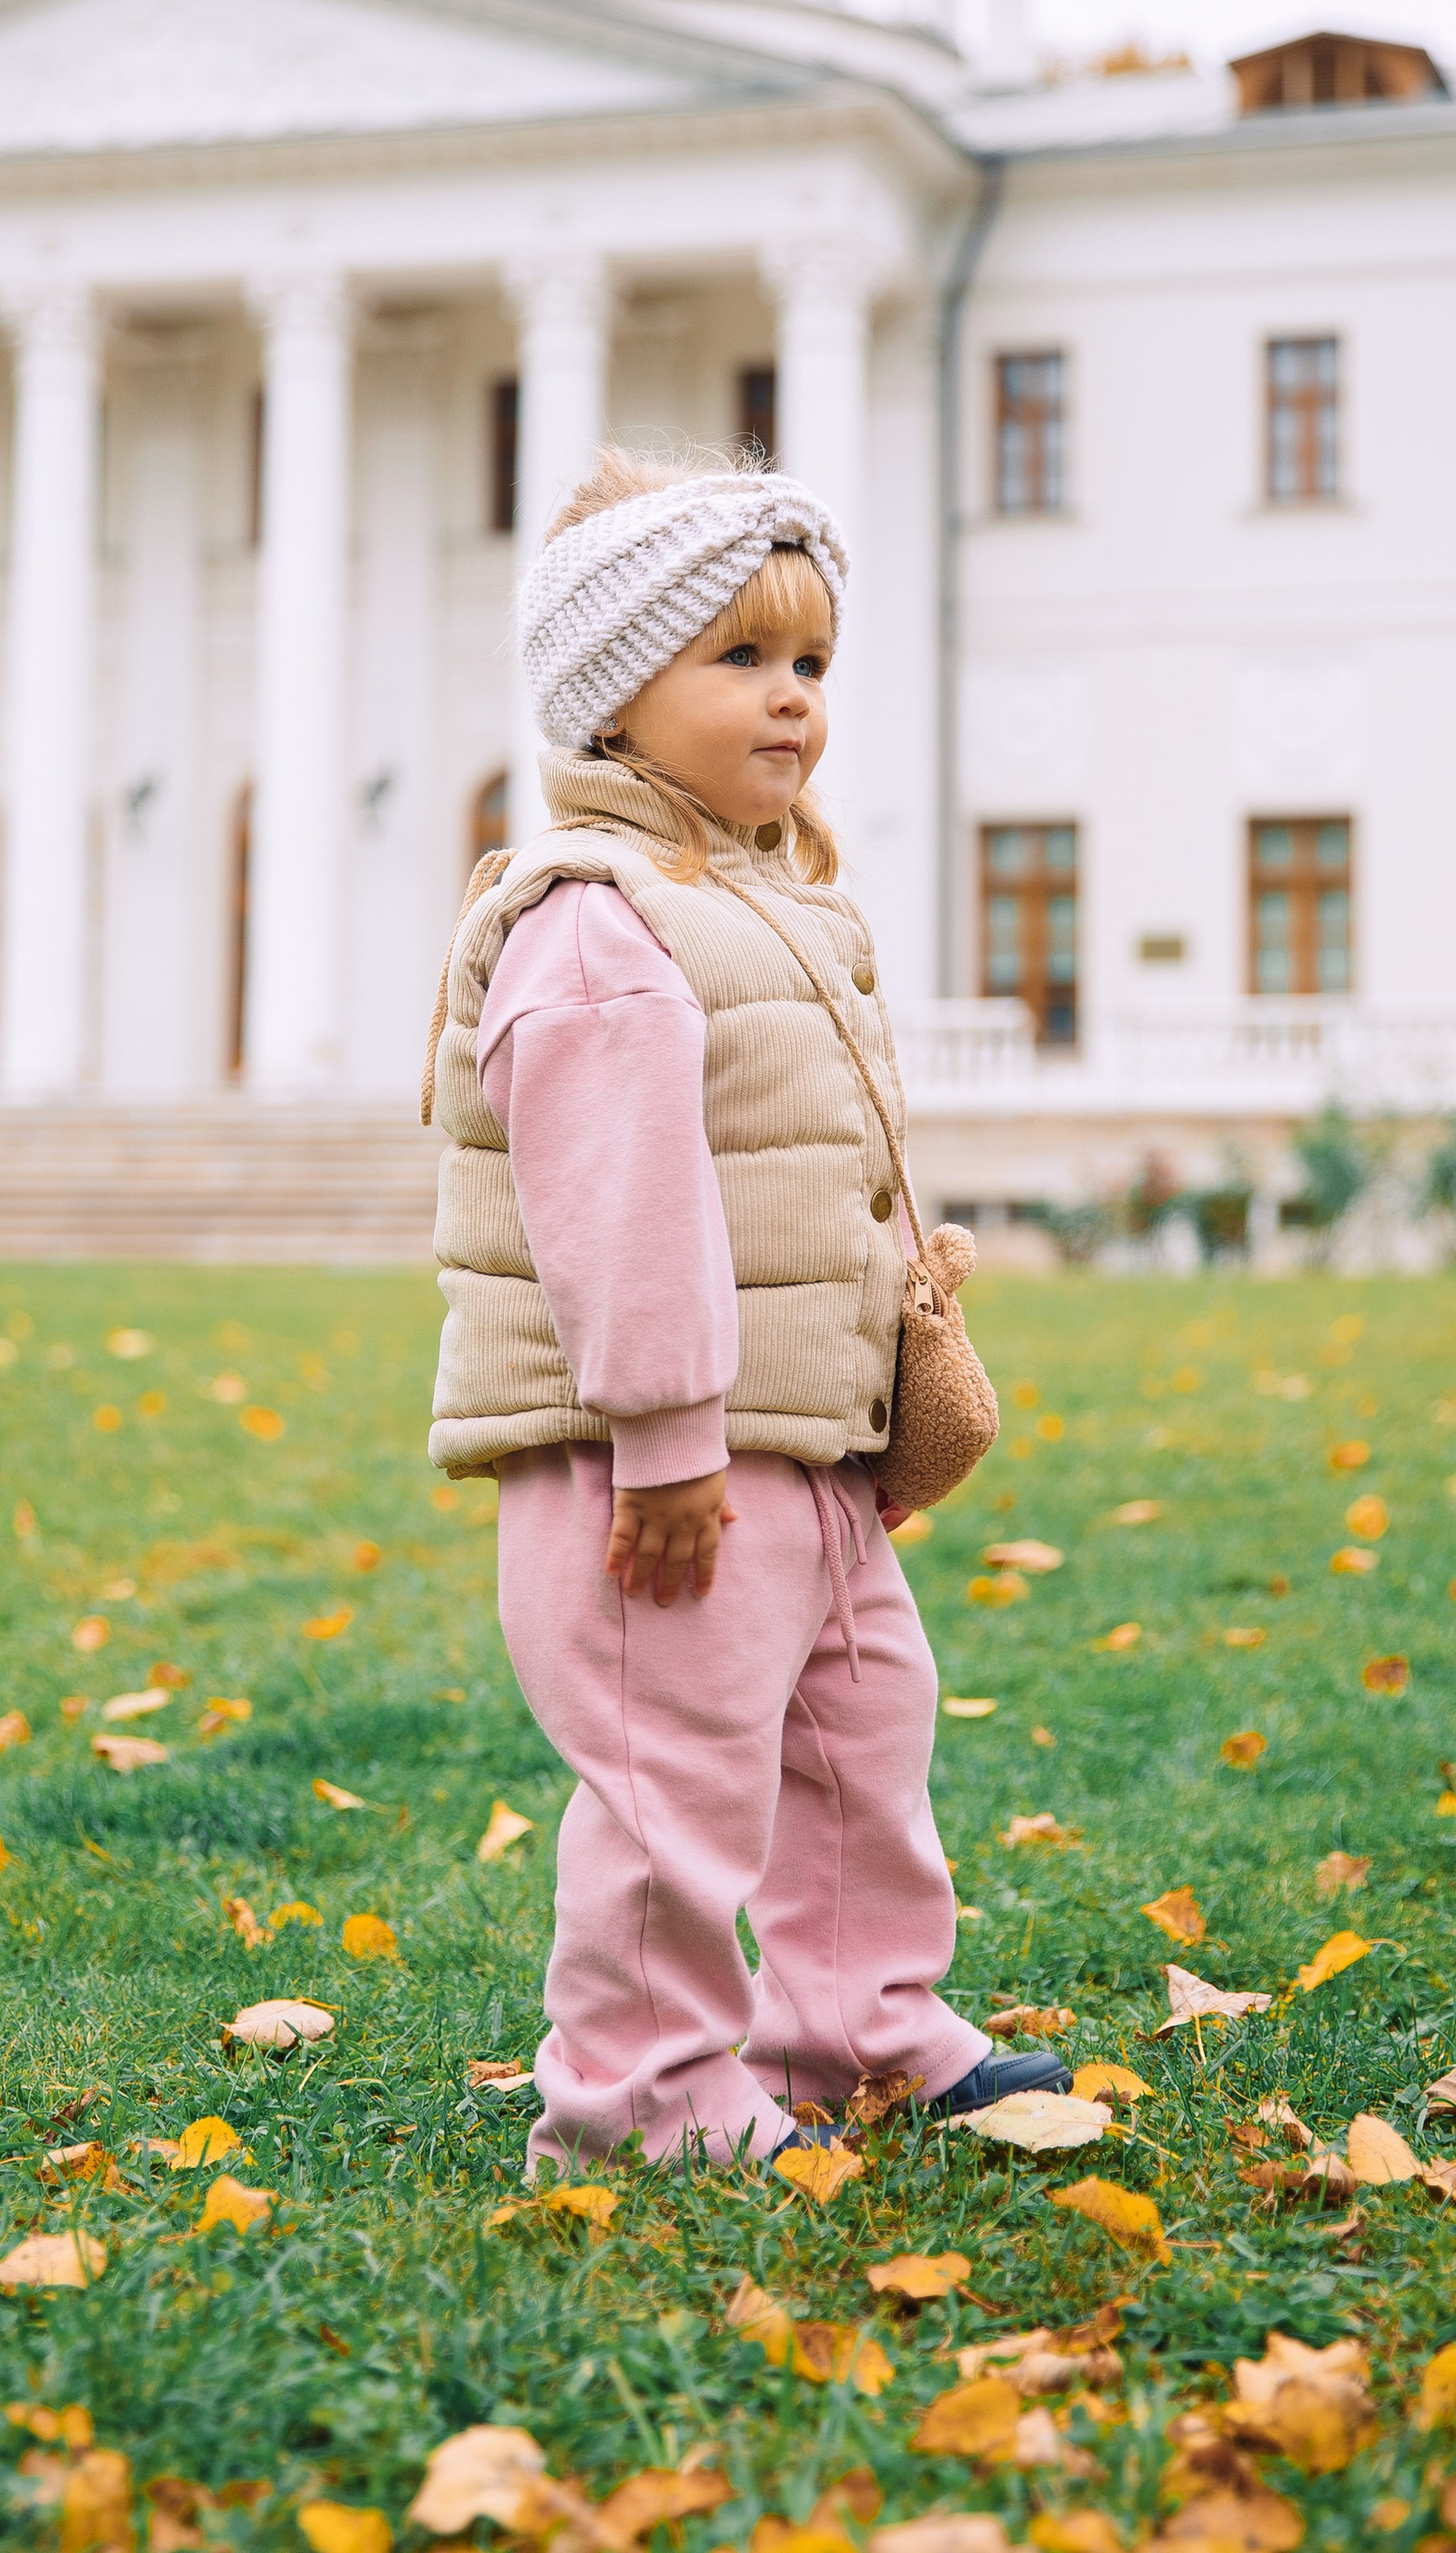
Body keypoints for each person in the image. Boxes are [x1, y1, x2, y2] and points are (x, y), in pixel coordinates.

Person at [423, 446, 1065, 2170]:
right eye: (743, 660)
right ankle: (640, 2100)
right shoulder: (595, 922)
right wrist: (668, 1443)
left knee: (861, 1741)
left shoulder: (765, 900)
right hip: (670, 1462)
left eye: (812, 665)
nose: (792, 700)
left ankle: (860, 2026)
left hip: (806, 1444)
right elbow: (620, 1213)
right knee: (678, 1792)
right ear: (616, 695)